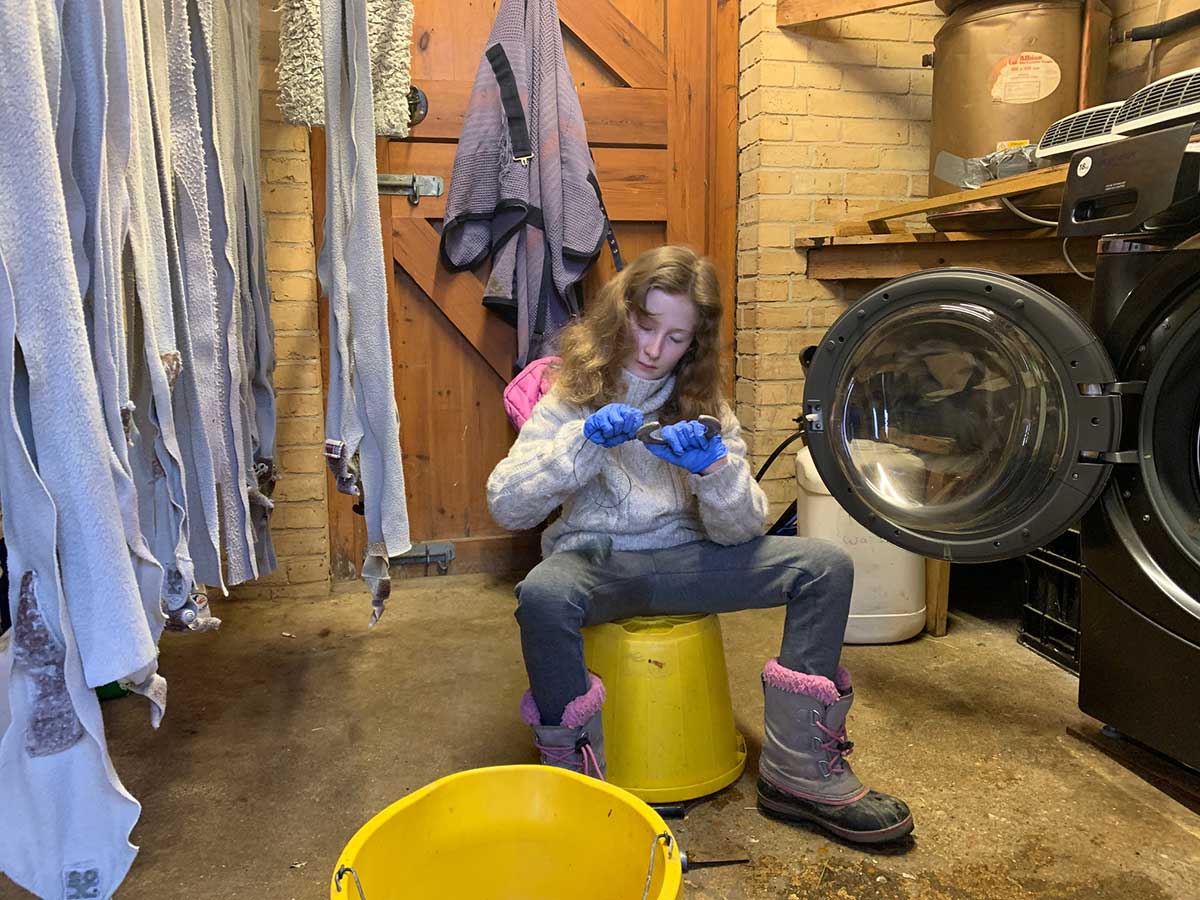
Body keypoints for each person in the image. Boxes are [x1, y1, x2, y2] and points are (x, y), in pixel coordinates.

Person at [486, 245, 913, 845]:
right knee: (542, 595)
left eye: (678, 337)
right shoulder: (570, 393)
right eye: (646, 323)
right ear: (622, 311)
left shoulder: (706, 404)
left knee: (825, 566)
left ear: (698, 342)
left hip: (690, 561)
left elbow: (742, 531)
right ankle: (575, 779)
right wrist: (582, 443)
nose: (655, 350)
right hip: (599, 562)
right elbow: (507, 504)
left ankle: (798, 774)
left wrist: (713, 470)